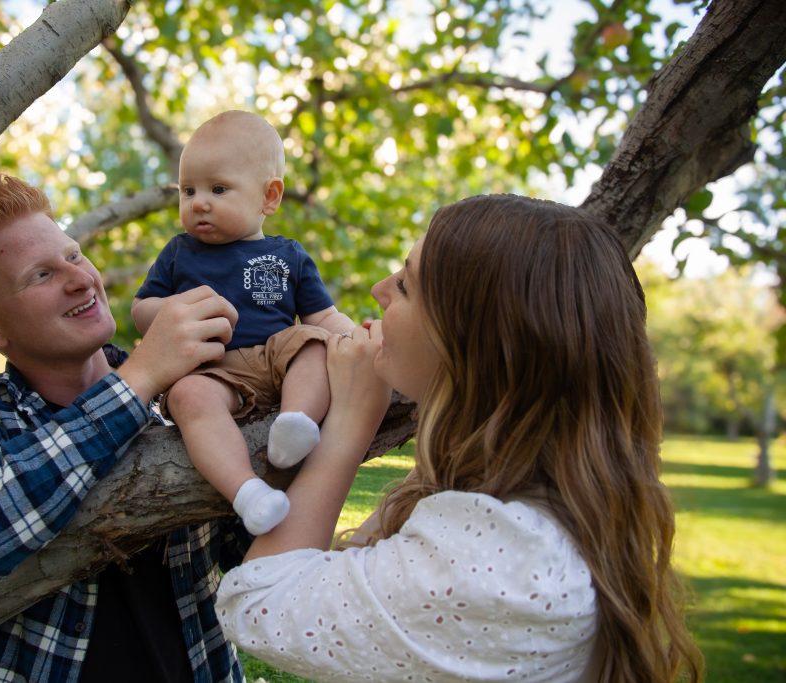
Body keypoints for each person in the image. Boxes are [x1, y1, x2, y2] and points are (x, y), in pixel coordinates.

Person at [215, 195, 704, 682]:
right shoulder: (533, 504)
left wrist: (346, 428)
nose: (378, 289)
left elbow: (257, 602)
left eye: (405, 285)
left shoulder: (499, 559)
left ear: (470, 344)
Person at [0, 173, 248, 682]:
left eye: (73, 254)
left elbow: (250, 553)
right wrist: (136, 384)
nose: (82, 279)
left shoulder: (189, 397)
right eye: (40, 275)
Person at [132, 110, 354, 536]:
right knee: (187, 396)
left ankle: (296, 421)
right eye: (188, 190)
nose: (198, 202)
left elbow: (323, 316)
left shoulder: (288, 254)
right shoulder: (180, 252)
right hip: (215, 368)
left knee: (313, 343)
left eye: (218, 189)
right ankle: (247, 491)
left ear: (269, 197)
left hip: (277, 357)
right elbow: (142, 309)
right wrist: (173, 309)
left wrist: (357, 338)